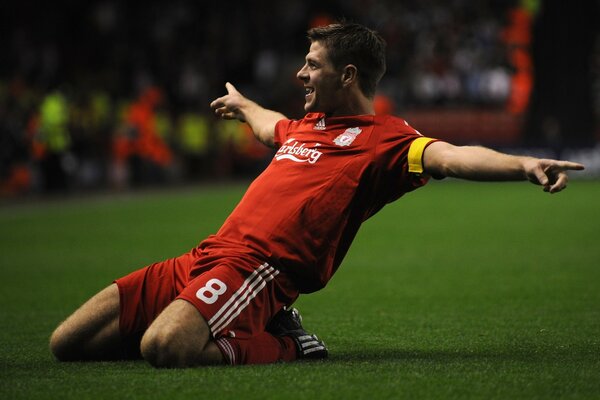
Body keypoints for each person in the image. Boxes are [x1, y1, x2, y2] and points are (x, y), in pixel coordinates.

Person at [49, 22, 584, 368]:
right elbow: (270, 125)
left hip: (256, 271)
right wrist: (245, 105)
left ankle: (286, 343)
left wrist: (522, 164)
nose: (300, 72)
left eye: (312, 65)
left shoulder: (387, 141)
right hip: (205, 257)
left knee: (163, 347)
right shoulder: (307, 125)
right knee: (66, 344)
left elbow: (453, 155)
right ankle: (213, 321)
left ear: (347, 74)